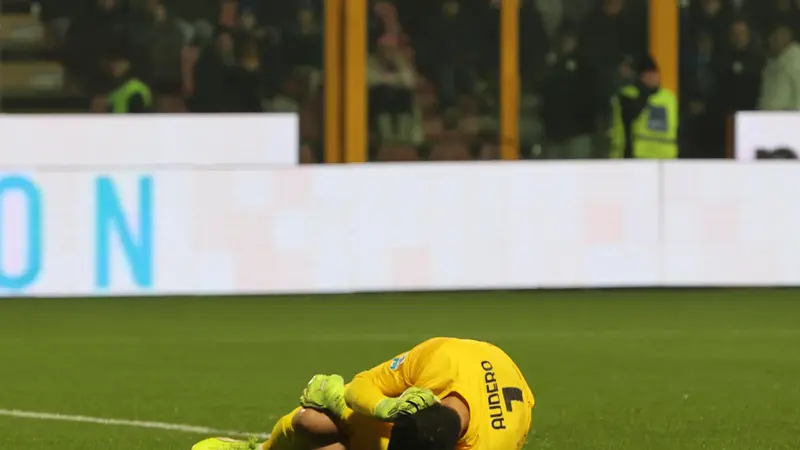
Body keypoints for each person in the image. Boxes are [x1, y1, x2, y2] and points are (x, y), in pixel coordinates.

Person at [192, 337, 535, 450]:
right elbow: (363, 383)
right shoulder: (441, 357)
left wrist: (334, 397)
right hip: (476, 360)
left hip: (507, 404)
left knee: (317, 425)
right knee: (312, 421)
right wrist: (383, 406)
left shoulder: (488, 445)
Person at [608, 55, 679, 159]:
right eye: (648, 74)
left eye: (654, 73)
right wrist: (644, 91)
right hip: (637, 155)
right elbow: (630, 116)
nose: (652, 77)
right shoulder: (628, 94)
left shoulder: (670, 98)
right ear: (641, 76)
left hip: (667, 157)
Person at [758, 20, 800, 111]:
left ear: (788, 35)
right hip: (766, 117)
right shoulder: (770, 62)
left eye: (775, 35)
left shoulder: (796, 60)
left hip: (788, 118)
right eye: (770, 36)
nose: (771, 40)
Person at [104, 44, 153, 113]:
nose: (114, 66)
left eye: (119, 62)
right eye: (112, 62)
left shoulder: (135, 90)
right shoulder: (116, 87)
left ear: (128, 64)